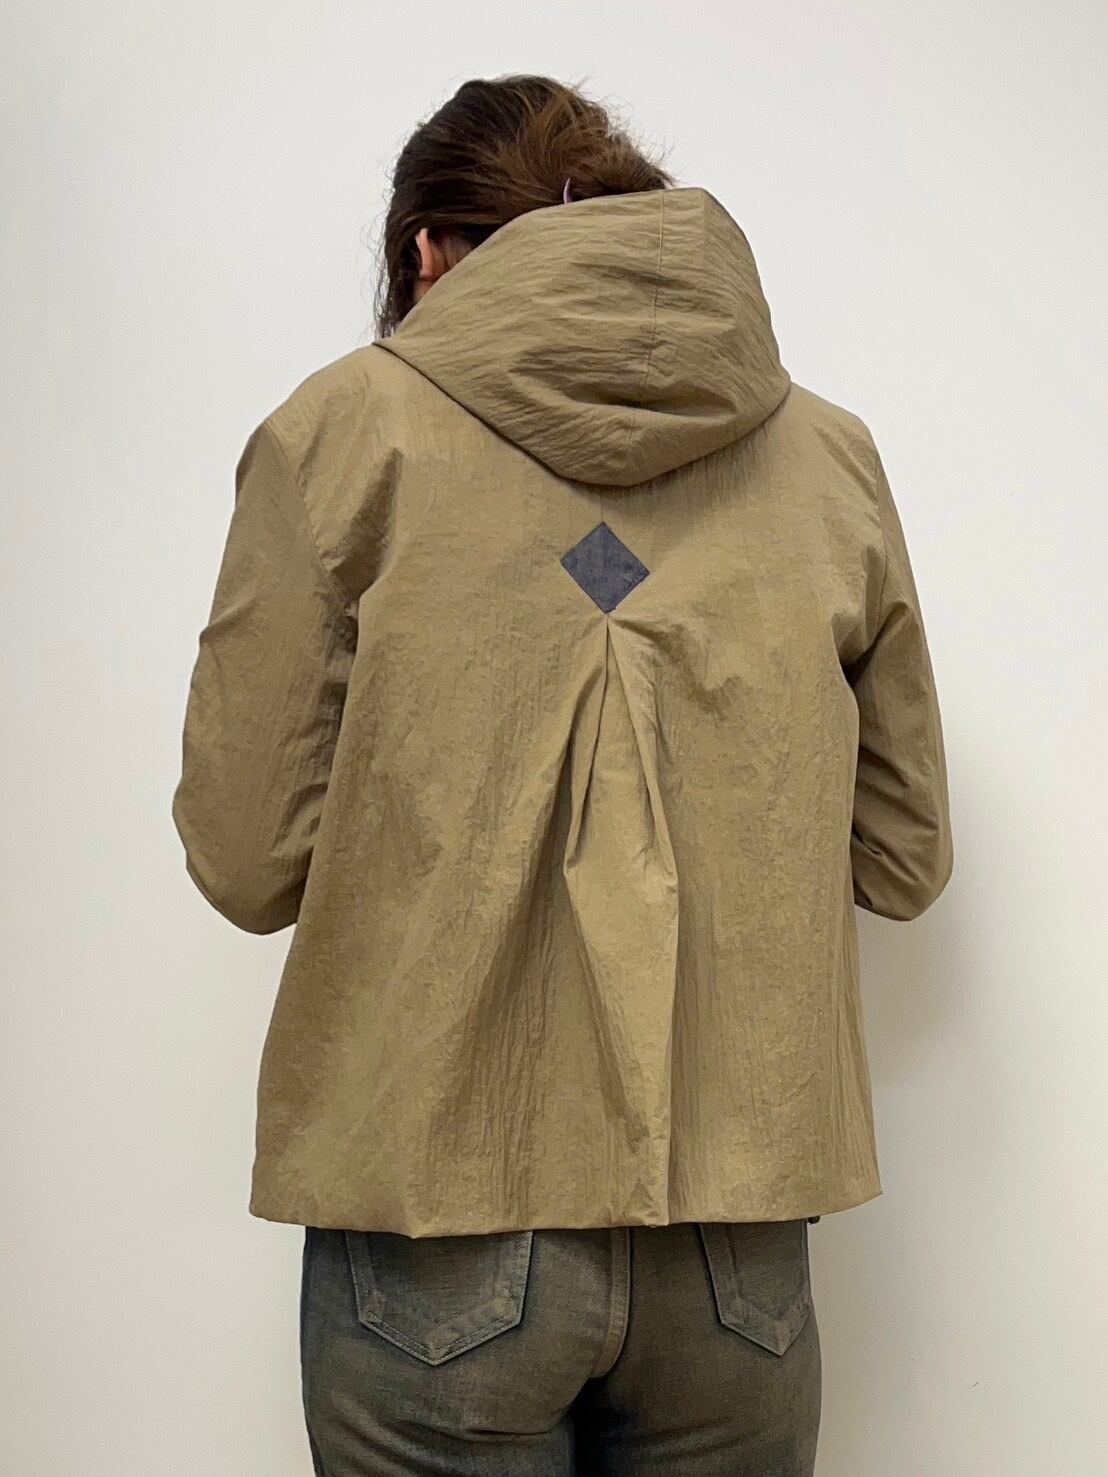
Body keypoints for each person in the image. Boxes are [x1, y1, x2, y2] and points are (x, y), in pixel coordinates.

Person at [171, 72, 953, 1477]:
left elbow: (246, 863)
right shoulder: (830, 457)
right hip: (737, 1231)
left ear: (428, 251)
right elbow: (905, 857)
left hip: (437, 1208)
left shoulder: (340, 433)